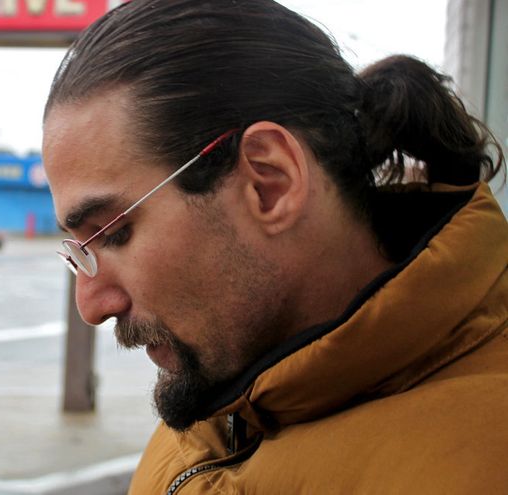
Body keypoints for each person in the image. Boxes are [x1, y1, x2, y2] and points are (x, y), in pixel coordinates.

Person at [41, 0, 508, 492]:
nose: (91, 306)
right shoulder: (228, 389)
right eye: (78, 252)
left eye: (111, 233)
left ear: (270, 182)